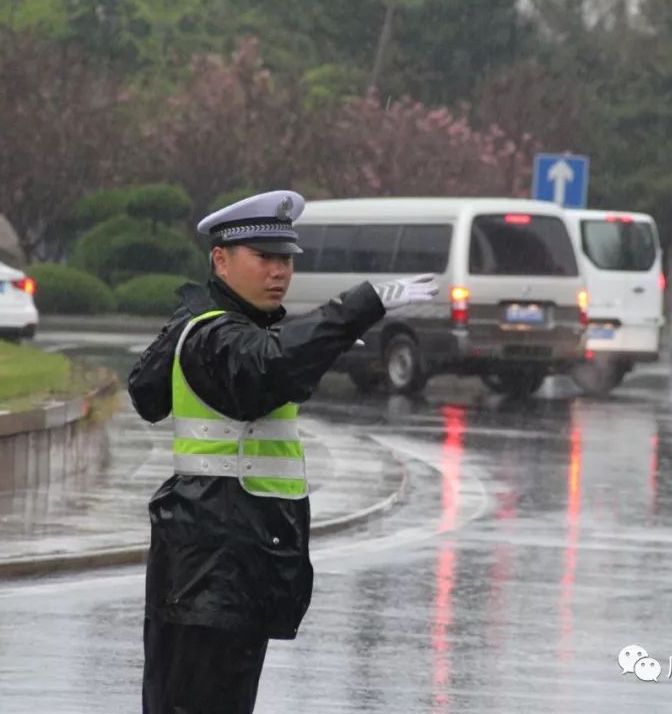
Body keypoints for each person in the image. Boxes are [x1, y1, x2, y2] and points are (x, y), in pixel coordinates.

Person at [127, 190, 438, 713]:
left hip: (221, 567)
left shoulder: (217, 326)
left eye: (287, 259)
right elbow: (265, 368)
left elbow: (150, 389)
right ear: (220, 260)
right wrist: (358, 307)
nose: (279, 272)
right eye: (264, 258)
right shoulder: (215, 336)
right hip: (211, 569)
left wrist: (315, 342)